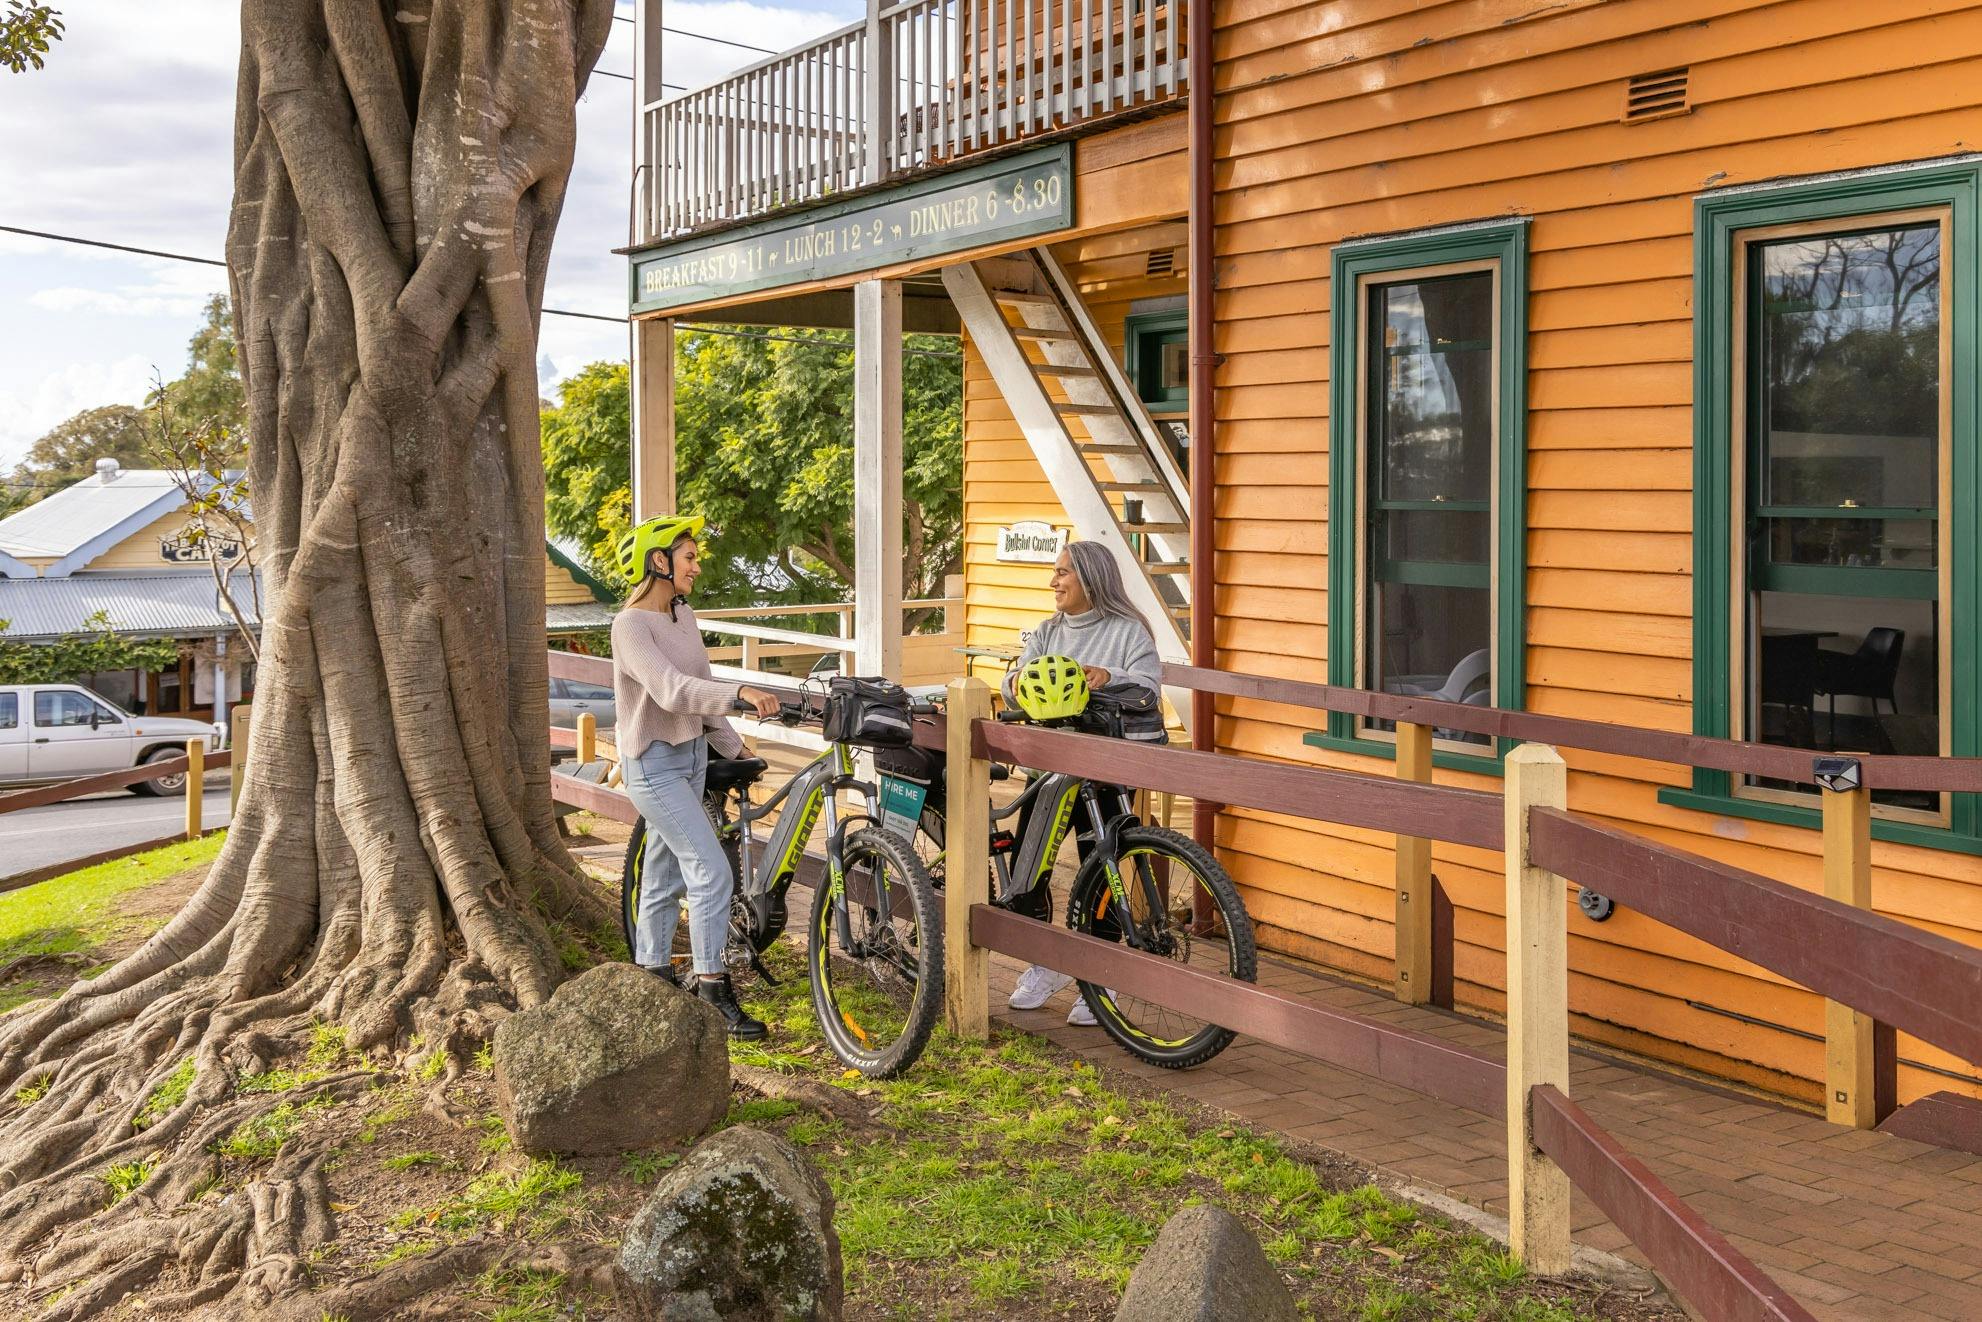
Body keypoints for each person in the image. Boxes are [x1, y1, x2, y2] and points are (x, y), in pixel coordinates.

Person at [610, 513, 782, 1040]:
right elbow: (671, 690)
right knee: (711, 871)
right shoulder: (631, 626)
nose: (697, 566)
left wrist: (735, 747)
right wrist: (742, 693)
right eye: (688, 557)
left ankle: (653, 980)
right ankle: (712, 988)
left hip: (690, 761)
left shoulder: (684, 619)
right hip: (652, 765)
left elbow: (699, 692)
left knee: (662, 879)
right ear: (658, 562)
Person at [1001, 540, 1164, 1026]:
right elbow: (1013, 684)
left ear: (1091, 578)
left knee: (1103, 867)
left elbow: (1149, 686)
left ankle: (1099, 974)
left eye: (1062, 573)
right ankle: (1046, 962)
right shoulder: (1047, 633)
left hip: (1107, 773)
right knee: (1026, 868)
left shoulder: (1128, 632)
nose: (1053, 582)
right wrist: (1021, 682)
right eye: (1054, 573)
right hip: (1048, 771)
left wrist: (1106, 675)